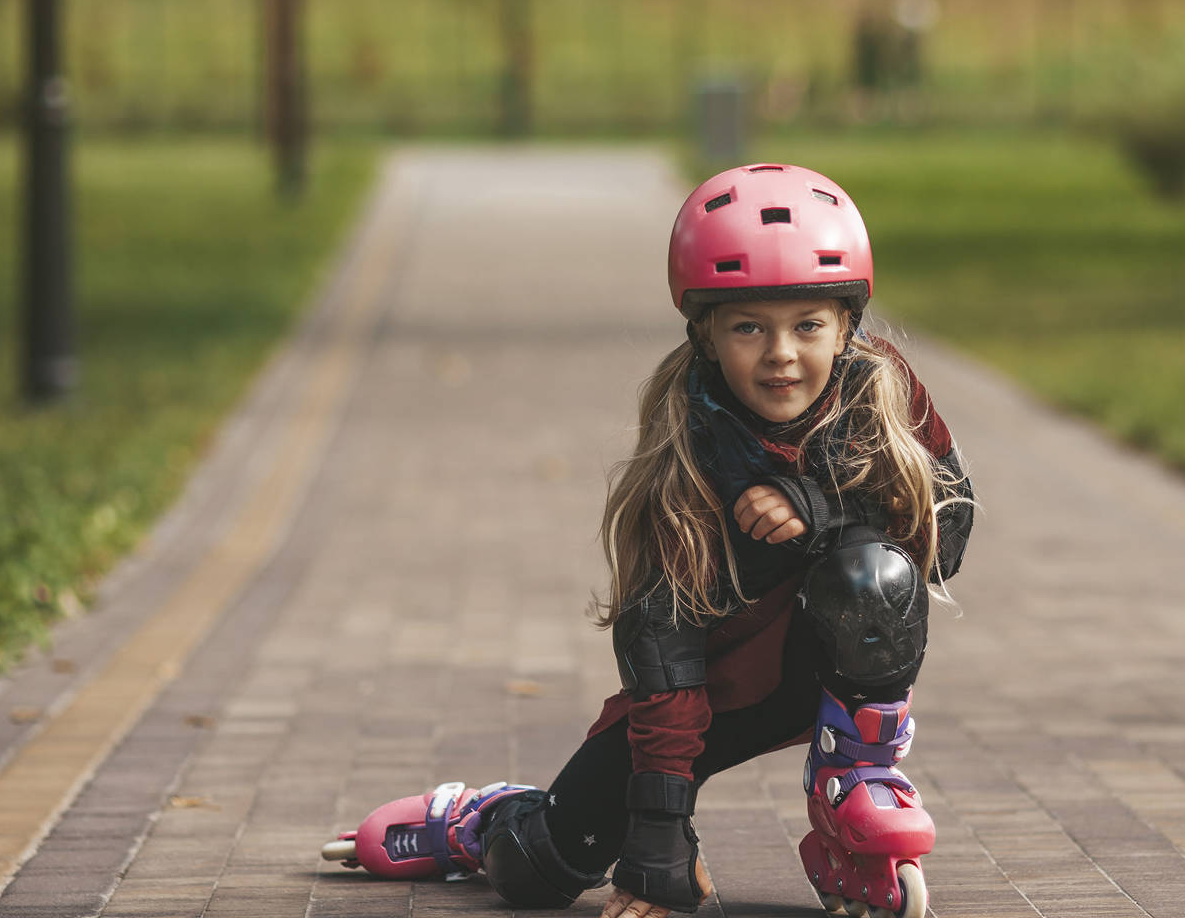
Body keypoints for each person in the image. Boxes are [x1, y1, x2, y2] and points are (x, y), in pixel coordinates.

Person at [322, 164, 976, 918]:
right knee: (540, 872)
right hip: (717, 690)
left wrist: (819, 510)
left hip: (831, 672)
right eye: (747, 327)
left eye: (807, 324)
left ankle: (856, 783)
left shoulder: (884, 393)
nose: (781, 355)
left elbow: (944, 536)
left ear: (847, 325)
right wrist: (659, 836)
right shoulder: (687, 457)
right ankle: (484, 817)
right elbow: (663, 652)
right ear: (703, 331)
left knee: (874, 574)